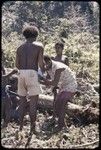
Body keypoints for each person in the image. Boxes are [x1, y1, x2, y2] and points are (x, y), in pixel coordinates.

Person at [15, 25, 44, 134]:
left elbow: (16, 64)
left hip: (21, 74)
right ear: (36, 35)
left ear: (25, 35)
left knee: (22, 102)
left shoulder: (19, 48)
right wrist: (44, 72)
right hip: (32, 73)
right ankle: (32, 128)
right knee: (33, 103)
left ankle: (21, 127)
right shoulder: (39, 46)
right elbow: (41, 64)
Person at [40, 55, 77, 131]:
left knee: (61, 104)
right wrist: (42, 80)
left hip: (70, 85)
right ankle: (60, 122)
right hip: (63, 86)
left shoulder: (58, 68)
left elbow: (54, 82)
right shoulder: (48, 67)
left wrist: (41, 81)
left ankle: (61, 125)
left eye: (44, 65)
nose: (43, 67)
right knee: (57, 104)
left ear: (49, 62)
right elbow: (48, 80)